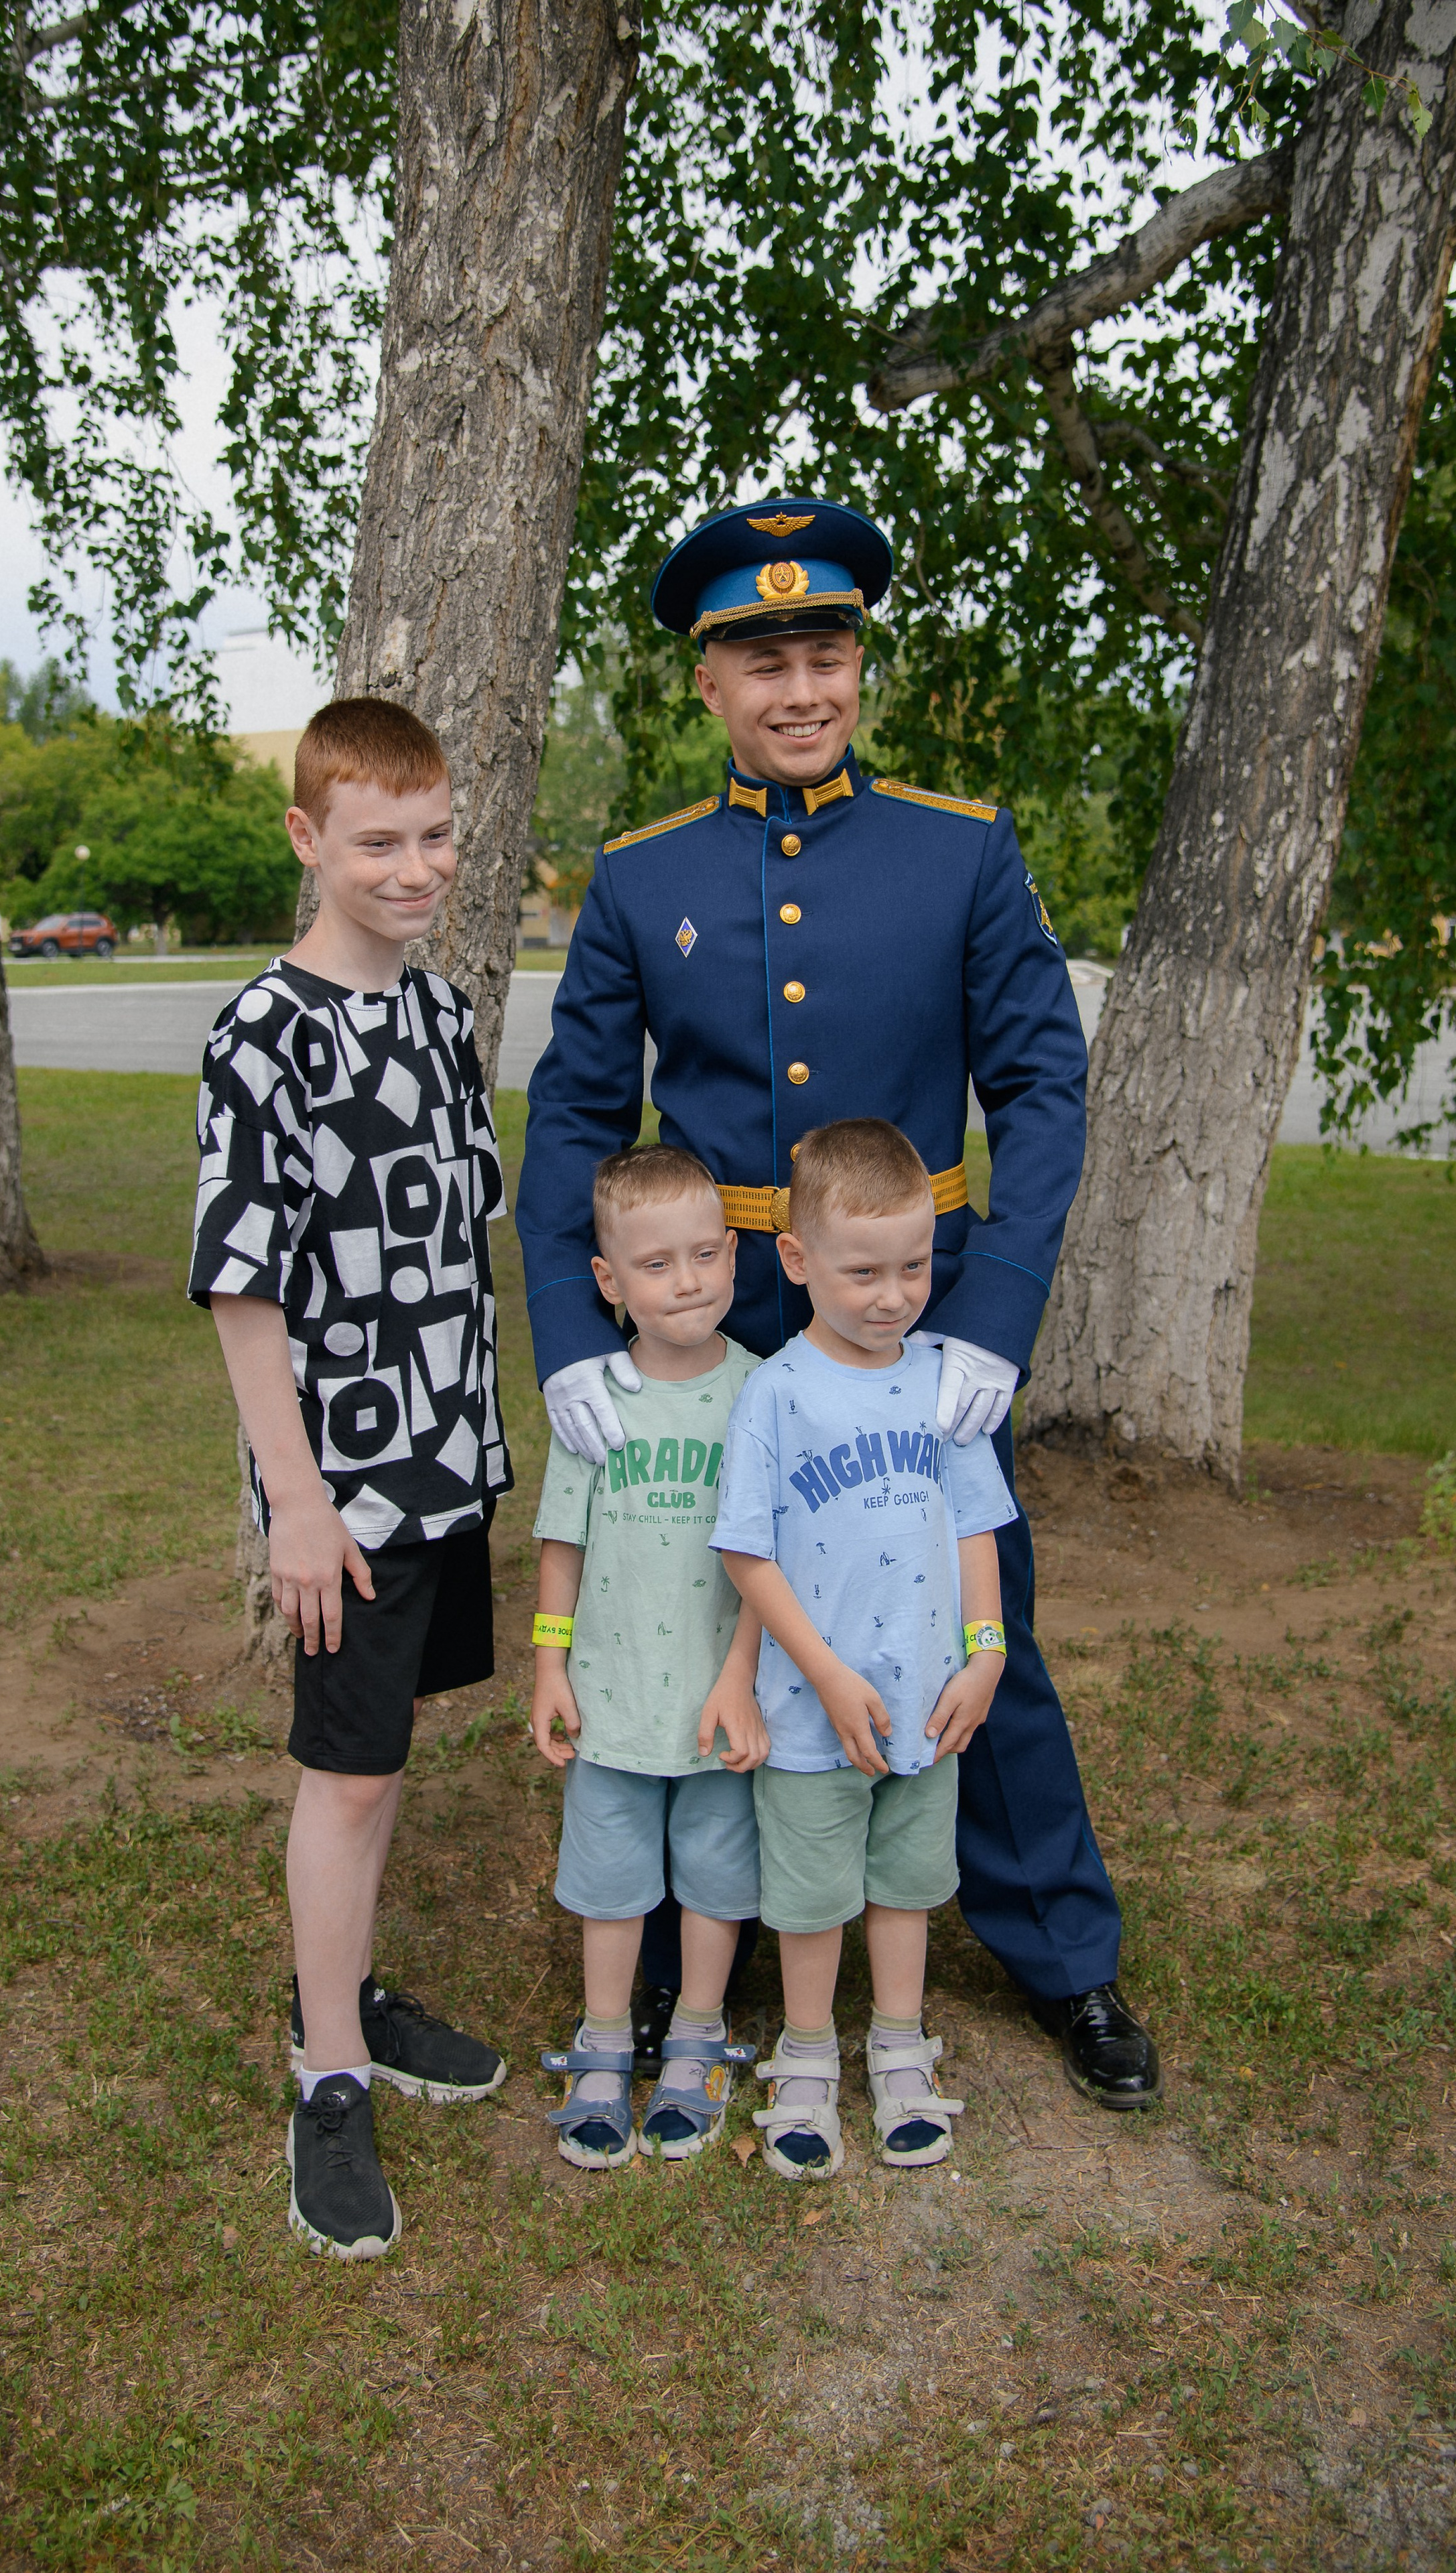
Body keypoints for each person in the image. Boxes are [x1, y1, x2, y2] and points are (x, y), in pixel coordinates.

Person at [516, 494, 1160, 2110]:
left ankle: (1061, 1957)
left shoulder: (960, 847)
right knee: (689, 1633)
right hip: (716, 1336)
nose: (798, 688)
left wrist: (993, 1320)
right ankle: (683, 1953)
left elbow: (1041, 1083)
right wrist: (577, 1342)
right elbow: (574, 1117)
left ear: (856, 666)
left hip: (907, 1331)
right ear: (705, 687)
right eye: (760, 662)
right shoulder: (640, 875)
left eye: (824, 654)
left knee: (968, 1627)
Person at [190, 696, 509, 2263]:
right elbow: (246, 1293)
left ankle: (348, 1989)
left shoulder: (440, 1017)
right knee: (350, 1769)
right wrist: (296, 1504)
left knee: (382, 1760)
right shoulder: (263, 1032)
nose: (413, 866)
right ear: (310, 840)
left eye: (434, 834)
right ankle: (325, 2069)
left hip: (445, 1461)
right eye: (377, 840)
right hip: (347, 1490)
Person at [712, 1120, 1014, 2174]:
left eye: (915, 1267)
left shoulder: (942, 1382)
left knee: (905, 1885)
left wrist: (987, 1651)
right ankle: (804, 2059)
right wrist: (826, 1677)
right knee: (809, 1895)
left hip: (928, 1702)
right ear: (796, 1262)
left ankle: (897, 2049)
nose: (892, 1296)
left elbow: (976, 1526)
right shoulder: (778, 1392)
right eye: (863, 1273)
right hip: (812, 1708)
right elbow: (749, 1555)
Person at [529, 1144, 765, 2166]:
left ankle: (698, 2038)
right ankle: (604, 2040)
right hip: (615, 1696)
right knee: (612, 1883)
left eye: (707, 1254)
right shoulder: (594, 1397)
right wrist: (547, 1665)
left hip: (720, 1697)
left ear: (735, 1257)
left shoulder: (765, 1391)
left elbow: (774, 1555)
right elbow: (561, 1540)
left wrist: (745, 1678)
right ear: (608, 1281)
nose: (689, 1281)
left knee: (717, 1879)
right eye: (658, 1264)